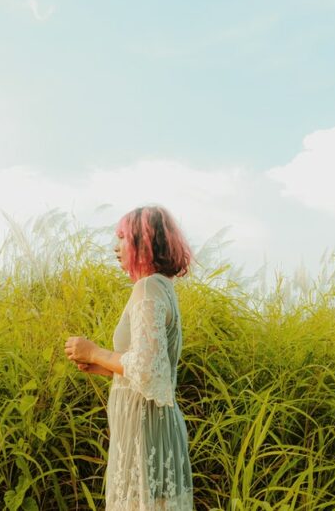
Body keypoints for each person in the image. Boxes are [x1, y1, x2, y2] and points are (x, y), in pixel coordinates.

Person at [64, 205, 194, 510]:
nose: (115, 246)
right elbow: (154, 367)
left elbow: (148, 369)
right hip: (150, 426)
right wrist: (103, 367)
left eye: (122, 237)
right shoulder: (162, 287)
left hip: (145, 429)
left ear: (143, 242)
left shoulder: (148, 289)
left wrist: (95, 351)